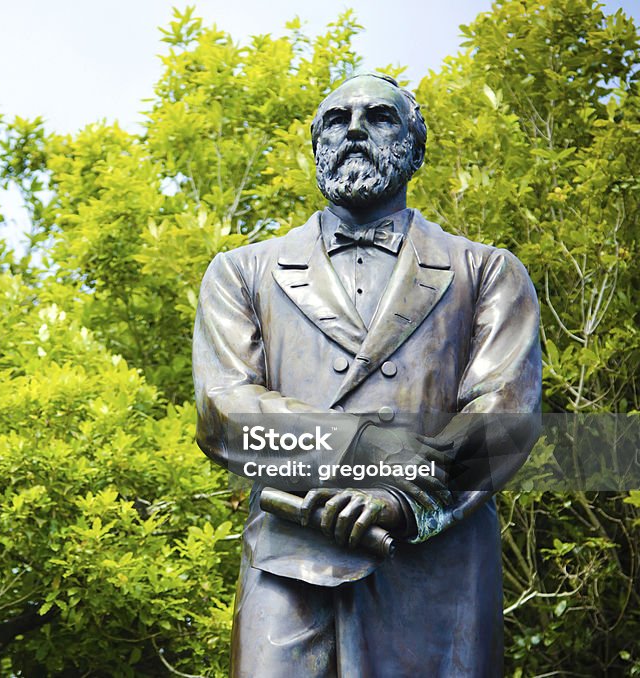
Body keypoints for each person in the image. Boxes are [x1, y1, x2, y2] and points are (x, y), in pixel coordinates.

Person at [192, 73, 542, 677]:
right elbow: (225, 412)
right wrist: (365, 448)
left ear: (416, 147)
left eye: (379, 117)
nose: (353, 129)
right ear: (317, 146)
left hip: (437, 567)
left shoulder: (486, 271)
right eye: (335, 120)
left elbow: (505, 413)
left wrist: (400, 498)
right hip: (288, 567)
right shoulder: (242, 272)